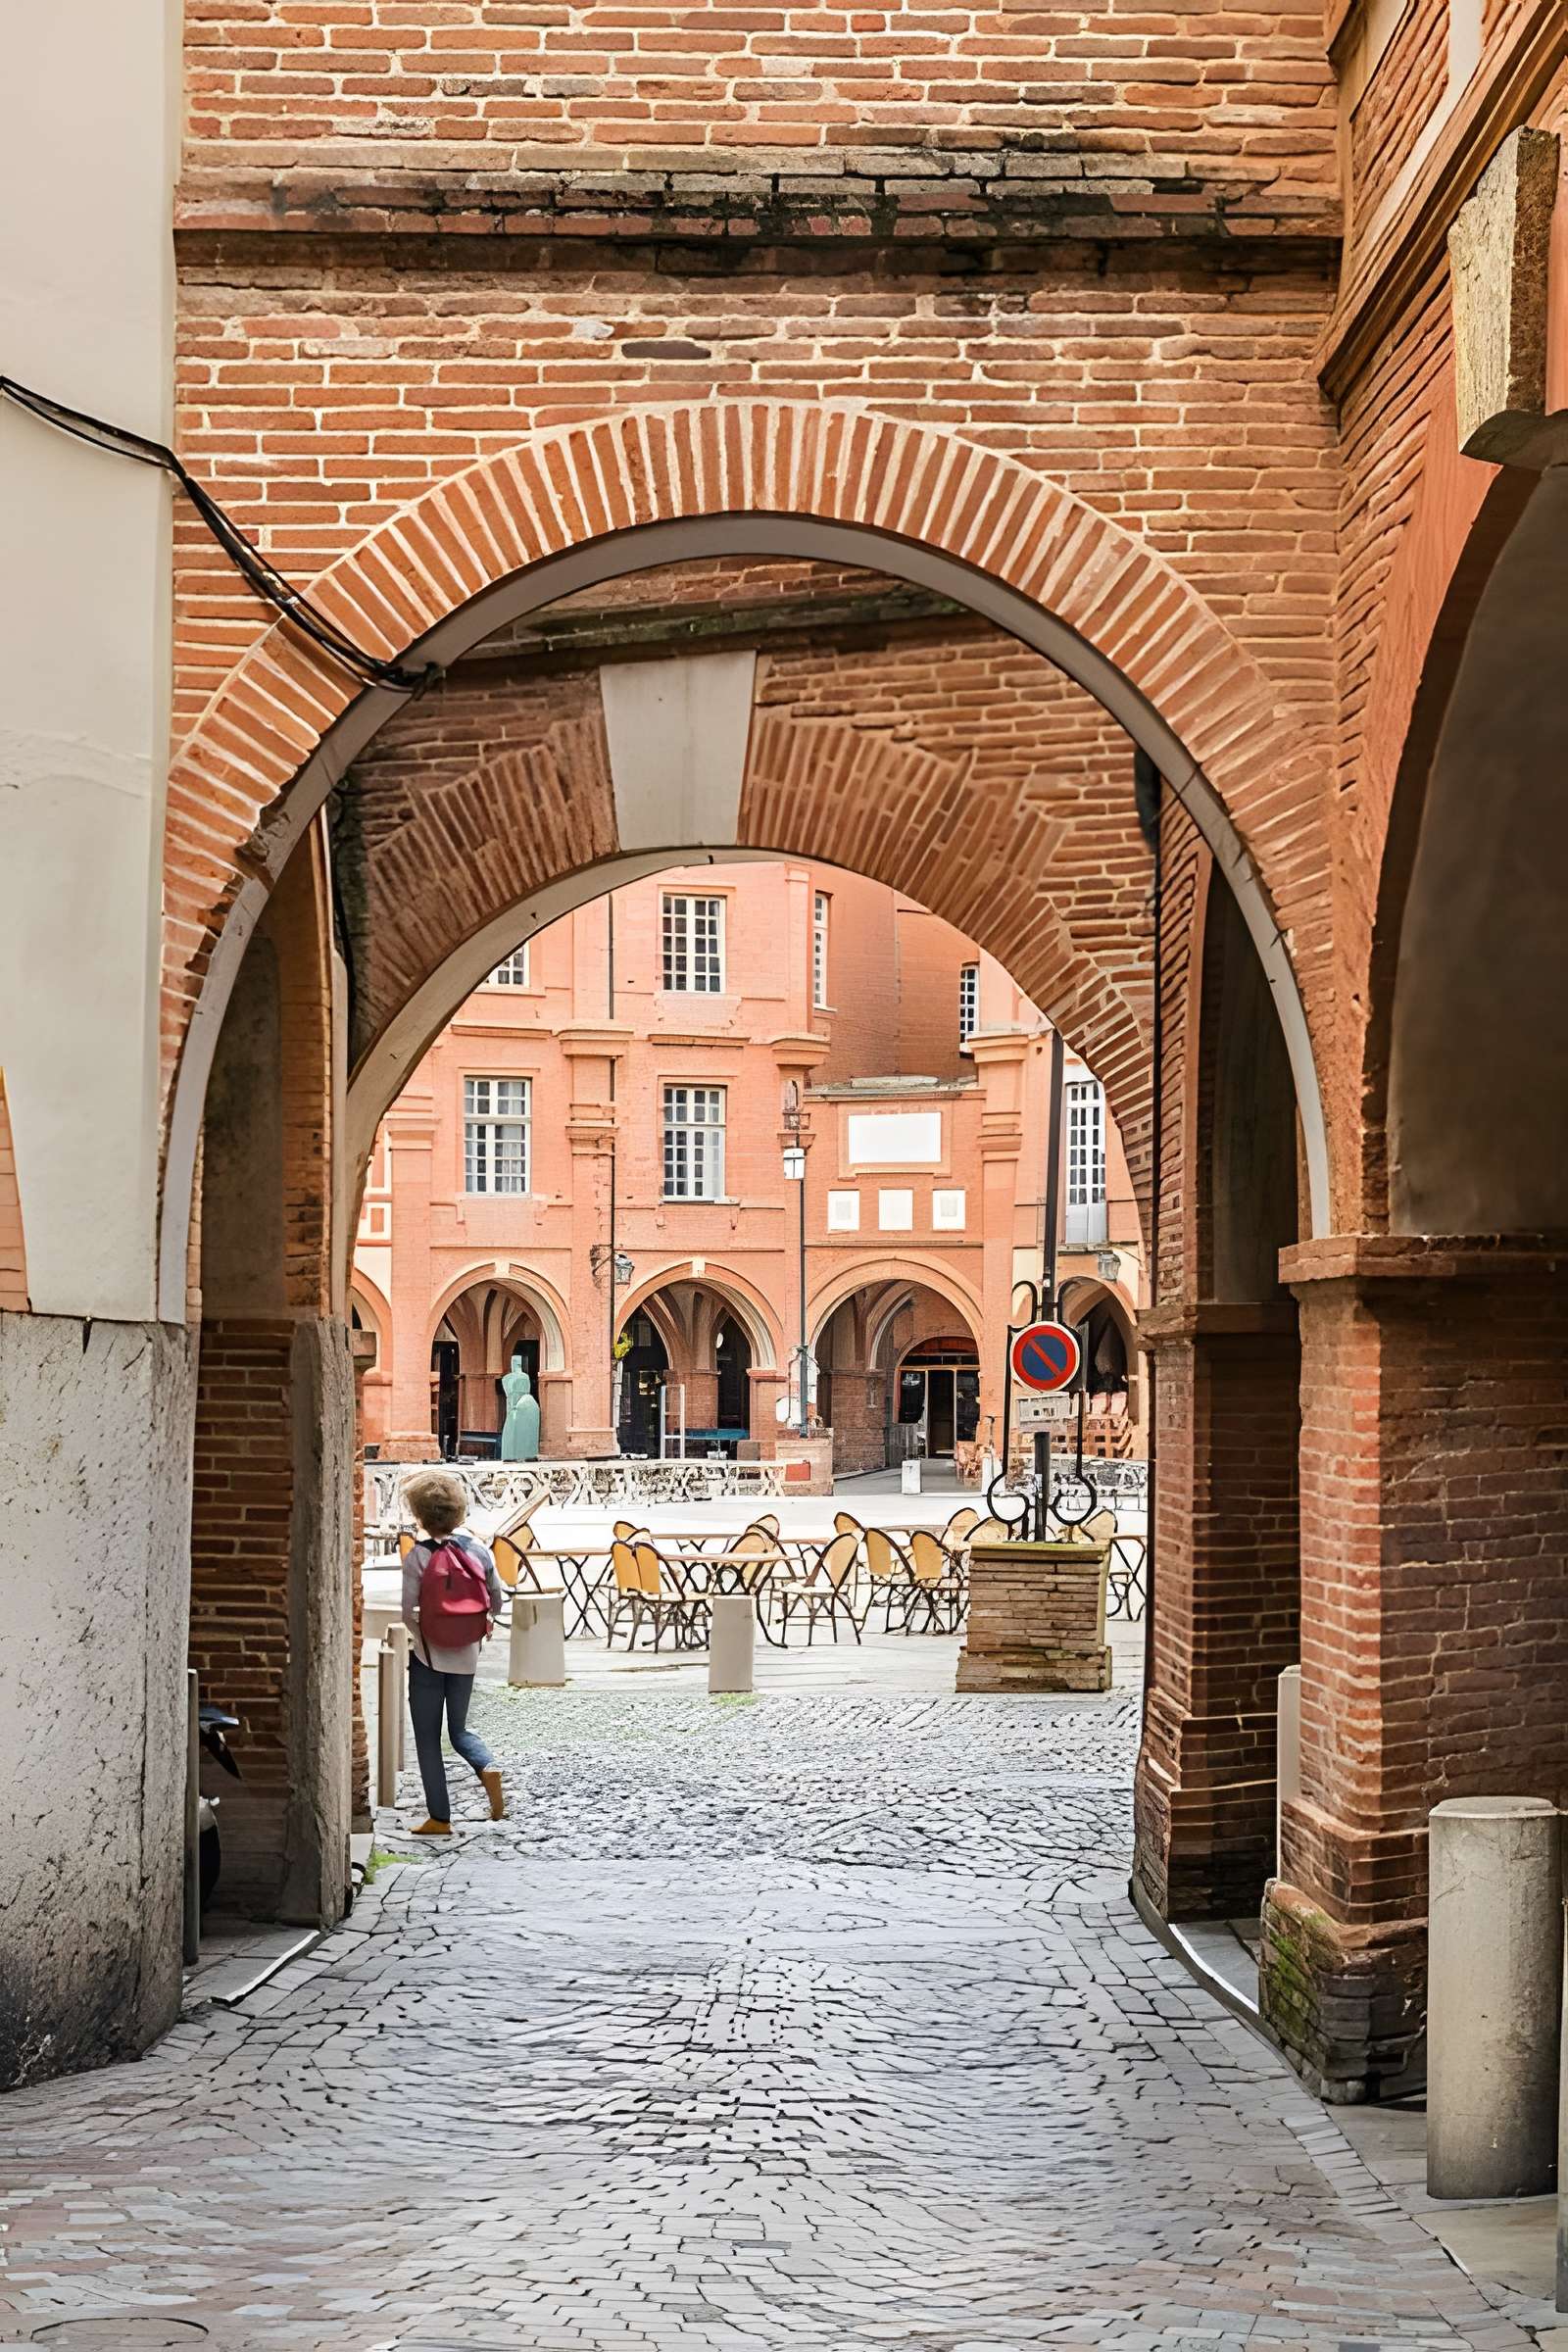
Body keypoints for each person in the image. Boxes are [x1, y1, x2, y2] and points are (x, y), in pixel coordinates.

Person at [400, 1470, 507, 1836]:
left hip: (427, 1657)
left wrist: (424, 1639)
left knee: (428, 1739)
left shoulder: (419, 1556)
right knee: (459, 1730)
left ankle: (440, 1818)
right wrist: (475, 1632)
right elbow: (497, 1603)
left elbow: (407, 1612)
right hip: (467, 1654)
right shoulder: (478, 1551)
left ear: (420, 1514)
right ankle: (487, 1766)